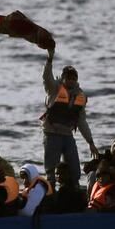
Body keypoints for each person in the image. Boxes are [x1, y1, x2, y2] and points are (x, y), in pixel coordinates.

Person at [41, 48, 99, 188]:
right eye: (68, 78)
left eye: (74, 78)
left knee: (74, 171)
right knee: (51, 171)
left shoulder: (80, 96)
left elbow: (81, 122)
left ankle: (74, 195)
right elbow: (46, 77)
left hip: (67, 136)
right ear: (63, 78)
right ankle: (50, 198)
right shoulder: (54, 88)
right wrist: (49, 59)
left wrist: (90, 142)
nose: (71, 81)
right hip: (52, 134)